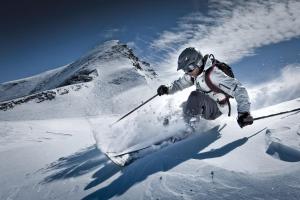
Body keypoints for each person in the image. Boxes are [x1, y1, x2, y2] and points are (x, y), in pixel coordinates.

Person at [157, 47, 253, 128]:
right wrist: (167, 89)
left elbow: (239, 89)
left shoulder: (213, 74)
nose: (187, 72)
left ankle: (189, 130)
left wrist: (244, 113)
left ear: (198, 63)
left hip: (217, 109)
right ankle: (168, 131)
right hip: (206, 107)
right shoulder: (194, 74)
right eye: (185, 70)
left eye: (189, 68)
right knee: (182, 107)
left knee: (195, 97)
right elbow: (180, 83)